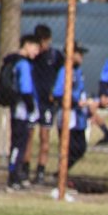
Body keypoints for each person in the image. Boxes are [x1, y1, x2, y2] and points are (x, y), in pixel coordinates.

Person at [52, 42, 101, 176]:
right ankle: (61, 175)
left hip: (79, 117)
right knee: (68, 148)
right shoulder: (64, 71)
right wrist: (75, 101)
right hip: (69, 114)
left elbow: (81, 91)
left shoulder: (78, 71)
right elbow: (57, 93)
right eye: (79, 53)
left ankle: (61, 174)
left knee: (80, 148)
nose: (81, 57)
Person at [27, 24, 64, 186]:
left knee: (45, 137)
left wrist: (56, 92)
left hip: (47, 104)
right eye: (40, 41)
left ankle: (40, 171)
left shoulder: (55, 56)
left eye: (45, 41)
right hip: (33, 101)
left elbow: (63, 73)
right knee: (28, 136)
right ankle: (24, 169)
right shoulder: (31, 56)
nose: (43, 45)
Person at [3, 34, 41, 191]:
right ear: (27, 44)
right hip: (21, 109)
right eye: (36, 48)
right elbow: (26, 89)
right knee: (19, 144)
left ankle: (15, 175)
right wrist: (32, 107)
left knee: (17, 143)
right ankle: (13, 177)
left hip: (16, 108)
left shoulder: (14, 61)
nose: (37, 52)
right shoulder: (23, 64)